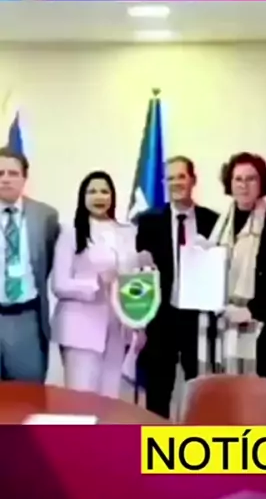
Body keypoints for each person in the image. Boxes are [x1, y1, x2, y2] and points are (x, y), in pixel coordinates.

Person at [136, 156, 218, 418]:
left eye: (181, 176)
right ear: (163, 183)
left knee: (201, 393)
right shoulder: (148, 222)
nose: (176, 183)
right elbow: (138, 274)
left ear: (193, 180)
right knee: (158, 394)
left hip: (199, 321)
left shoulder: (213, 221)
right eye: (170, 178)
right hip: (161, 320)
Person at [51, 171, 143, 398]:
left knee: (110, 399)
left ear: (112, 196)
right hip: (80, 329)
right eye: (92, 191)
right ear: (83, 197)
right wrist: (95, 283)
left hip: (118, 328)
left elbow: (135, 279)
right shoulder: (70, 232)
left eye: (104, 191)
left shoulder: (127, 233)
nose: (99, 196)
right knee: (81, 400)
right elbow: (59, 284)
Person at [208, 152, 266, 376]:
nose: (243, 185)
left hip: (260, 327)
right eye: (238, 179)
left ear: (262, 183)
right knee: (223, 389)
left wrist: (252, 310)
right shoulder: (217, 224)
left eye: (251, 179)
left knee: (255, 391)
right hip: (221, 322)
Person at [0, 147, 59, 382]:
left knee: (28, 394)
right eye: (0, 173)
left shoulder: (46, 216)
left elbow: (49, 261)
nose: (5, 179)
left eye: (13, 173)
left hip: (26, 317)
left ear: (24, 178)